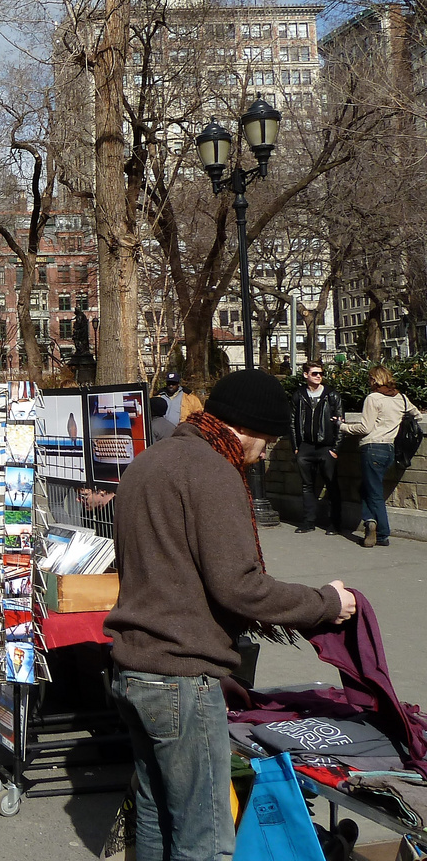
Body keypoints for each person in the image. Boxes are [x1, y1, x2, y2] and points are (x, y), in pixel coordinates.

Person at [106, 369, 356, 861]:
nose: (266, 454)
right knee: (206, 838)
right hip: (181, 674)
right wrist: (326, 602)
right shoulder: (212, 470)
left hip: (133, 668)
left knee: (157, 819)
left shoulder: (147, 463)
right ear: (249, 429)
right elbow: (239, 586)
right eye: (267, 441)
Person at [338, 365, 427, 548]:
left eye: (370, 379)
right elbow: (417, 415)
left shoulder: (373, 398)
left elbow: (365, 428)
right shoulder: (401, 398)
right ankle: (370, 520)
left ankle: (382, 533)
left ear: (375, 380)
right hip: (389, 449)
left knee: (374, 491)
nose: (369, 382)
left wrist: (342, 427)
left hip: (372, 448)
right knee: (367, 488)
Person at [290, 360, 345, 535]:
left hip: (326, 447)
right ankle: (308, 522)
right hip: (305, 447)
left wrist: (335, 449)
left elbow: (340, 423)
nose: (319, 376)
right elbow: (291, 423)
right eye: (315, 373)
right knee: (307, 485)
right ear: (306, 375)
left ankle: (335, 524)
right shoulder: (299, 395)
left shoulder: (332, 395)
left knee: (331, 485)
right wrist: (296, 447)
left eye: (320, 373)